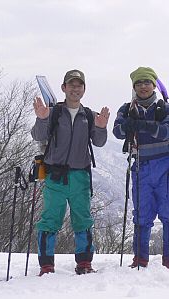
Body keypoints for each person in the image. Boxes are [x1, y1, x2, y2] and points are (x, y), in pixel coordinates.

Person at [31, 69, 110, 275]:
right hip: (55, 176)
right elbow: (38, 135)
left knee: (82, 219)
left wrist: (101, 127)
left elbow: (99, 142)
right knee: (50, 220)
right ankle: (46, 266)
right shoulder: (54, 112)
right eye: (71, 85)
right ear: (63, 88)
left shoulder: (89, 116)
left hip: (80, 176)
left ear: (84, 89)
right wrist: (41, 118)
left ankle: (84, 264)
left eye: (79, 85)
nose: (75, 88)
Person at [113, 67, 169, 268]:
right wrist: (132, 125)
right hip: (141, 165)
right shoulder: (126, 109)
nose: (143, 87)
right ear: (134, 86)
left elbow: (168, 131)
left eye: (147, 82)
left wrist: (139, 125)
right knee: (142, 213)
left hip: (165, 167)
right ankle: (140, 259)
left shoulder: (165, 108)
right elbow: (117, 131)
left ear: (154, 85)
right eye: (139, 83)